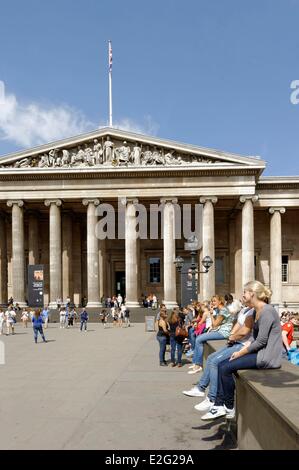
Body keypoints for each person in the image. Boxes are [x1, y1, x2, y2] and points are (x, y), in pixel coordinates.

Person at [202, 281, 283, 421]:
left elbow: (261, 341)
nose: (242, 295)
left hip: (266, 358)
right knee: (222, 365)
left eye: (245, 292)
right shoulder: (257, 311)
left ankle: (228, 406)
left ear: (252, 293)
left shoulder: (267, 311)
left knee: (226, 368)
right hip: (259, 353)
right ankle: (219, 405)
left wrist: (240, 352)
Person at [183, 301, 253, 413]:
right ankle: (201, 388)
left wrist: (232, 336)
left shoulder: (246, 311)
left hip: (240, 343)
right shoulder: (245, 310)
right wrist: (232, 336)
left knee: (211, 356)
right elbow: (237, 325)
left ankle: (211, 398)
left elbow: (218, 325)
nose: (243, 295)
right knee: (210, 358)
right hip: (233, 339)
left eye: (246, 292)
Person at [189, 295, 233, 374]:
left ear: (220, 301)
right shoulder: (221, 310)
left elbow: (215, 324)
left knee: (199, 339)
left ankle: (198, 365)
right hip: (220, 331)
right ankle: (195, 363)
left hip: (224, 333)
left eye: (214, 301)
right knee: (199, 338)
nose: (212, 303)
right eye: (212, 301)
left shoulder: (223, 310)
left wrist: (212, 314)